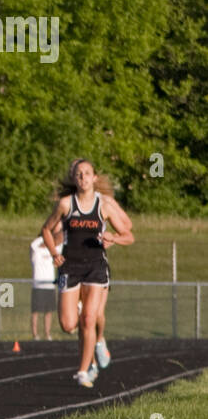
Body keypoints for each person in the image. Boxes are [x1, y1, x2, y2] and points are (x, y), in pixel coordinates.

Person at [40, 159, 134, 386]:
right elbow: (46, 229)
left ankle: (85, 369)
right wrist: (54, 253)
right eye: (79, 174)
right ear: (74, 178)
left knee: (90, 318)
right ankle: (92, 351)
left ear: (94, 178)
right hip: (70, 267)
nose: (83, 178)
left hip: (95, 267)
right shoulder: (65, 204)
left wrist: (114, 238)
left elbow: (129, 234)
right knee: (68, 324)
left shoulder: (105, 205)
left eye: (87, 173)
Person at [29, 235, 57, 340]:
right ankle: (35, 334)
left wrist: (50, 239)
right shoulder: (36, 252)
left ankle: (47, 333)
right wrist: (44, 236)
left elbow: (59, 246)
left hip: (50, 286)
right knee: (35, 311)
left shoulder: (52, 251)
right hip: (38, 286)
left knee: (48, 312)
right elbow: (33, 245)